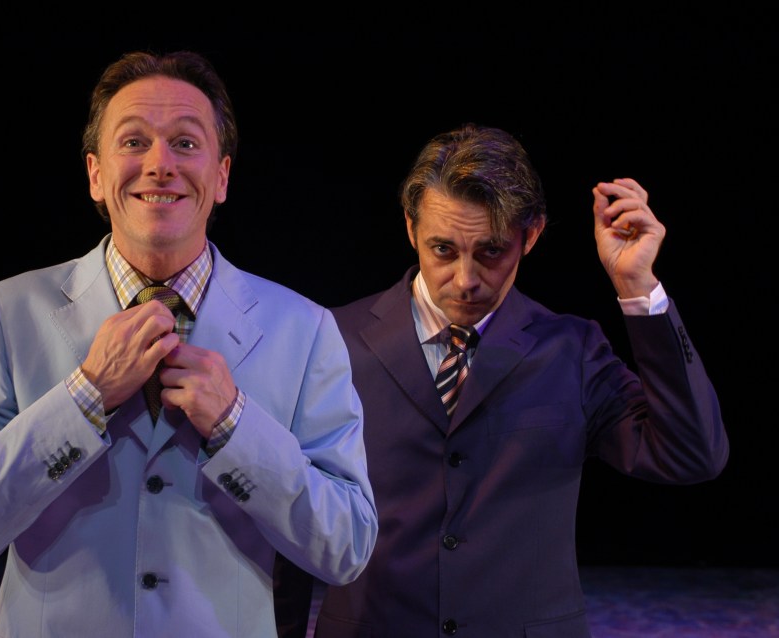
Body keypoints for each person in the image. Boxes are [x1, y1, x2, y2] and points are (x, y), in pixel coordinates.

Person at [0, 50, 377, 638]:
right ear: (95, 174)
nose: (159, 164)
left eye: (185, 143)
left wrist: (235, 425)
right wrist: (84, 397)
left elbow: (347, 547)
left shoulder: (304, 329)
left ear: (221, 176)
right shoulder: (6, 313)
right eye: (133, 142)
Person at [274, 123, 728, 637]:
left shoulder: (572, 350)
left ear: (530, 235)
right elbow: (284, 515)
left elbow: (692, 454)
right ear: (410, 228)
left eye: (490, 251)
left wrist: (638, 286)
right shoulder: (331, 340)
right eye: (443, 249)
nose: (466, 279)